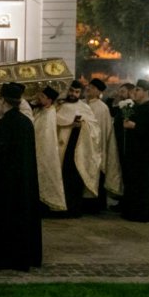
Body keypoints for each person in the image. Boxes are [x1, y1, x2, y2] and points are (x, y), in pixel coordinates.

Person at [0, 83, 42, 271]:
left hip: (5, 184)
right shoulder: (25, 122)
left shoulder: (5, 123)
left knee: (5, 219)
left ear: (4, 102)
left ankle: (5, 256)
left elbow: (1, 154)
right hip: (23, 182)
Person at [120, 79, 149, 222]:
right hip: (135, 154)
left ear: (147, 92)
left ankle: (145, 213)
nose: (135, 92)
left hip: (147, 157)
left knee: (146, 185)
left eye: (138, 90)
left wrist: (135, 127)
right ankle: (132, 211)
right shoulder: (137, 108)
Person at [55, 80, 100, 217]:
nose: (73, 94)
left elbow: (94, 128)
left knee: (74, 179)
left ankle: (74, 208)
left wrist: (82, 125)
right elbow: (53, 123)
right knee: (61, 177)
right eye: (71, 91)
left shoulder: (84, 107)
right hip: (62, 148)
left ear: (80, 93)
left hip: (78, 148)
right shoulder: (59, 107)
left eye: (76, 92)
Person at [84, 78, 123, 211]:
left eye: (93, 87)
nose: (88, 89)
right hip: (84, 146)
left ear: (99, 92)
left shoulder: (102, 108)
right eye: (89, 86)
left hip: (96, 147)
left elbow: (101, 129)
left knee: (96, 175)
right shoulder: (84, 104)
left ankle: (96, 205)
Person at [31, 87, 67, 213]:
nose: (38, 99)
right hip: (36, 151)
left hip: (46, 153)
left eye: (42, 97)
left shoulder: (50, 113)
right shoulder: (40, 110)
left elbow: (46, 135)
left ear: (49, 100)